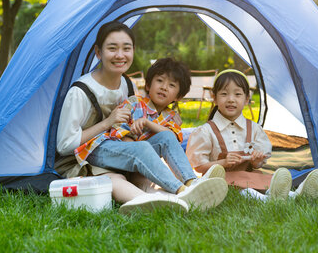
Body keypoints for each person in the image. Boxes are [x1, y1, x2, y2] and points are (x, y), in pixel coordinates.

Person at [55, 22, 205, 214]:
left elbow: (136, 122)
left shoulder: (127, 84)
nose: (120, 55)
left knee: (161, 144)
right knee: (122, 174)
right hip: (84, 155)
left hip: (120, 149)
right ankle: (180, 191)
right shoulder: (80, 92)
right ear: (98, 53)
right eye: (112, 48)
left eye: (126, 48)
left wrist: (150, 129)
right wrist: (108, 123)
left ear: (133, 51)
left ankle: (189, 185)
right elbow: (64, 145)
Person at [75, 57, 228, 214]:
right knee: (141, 147)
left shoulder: (171, 117)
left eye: (171, 85)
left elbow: (172, 139)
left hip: (131, 162)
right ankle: (182, 191)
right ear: (148, 85)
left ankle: (191, 182)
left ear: (178, 96)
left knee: (165, 138)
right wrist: (130, 139)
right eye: (160, 81)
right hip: (103, 151)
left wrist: (147, 124)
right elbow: (115, 128)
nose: (164, 87)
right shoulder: (134, 102)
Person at [186, 69, 318, 201]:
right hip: (220, 180)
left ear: (247, 99)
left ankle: (295, 194)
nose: (231, 99)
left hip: (248, 176)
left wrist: (256, 160)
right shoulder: (206, 131)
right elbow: (198, 166)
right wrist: (222, 163)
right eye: (224, 94)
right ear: (214, 98)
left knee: (263, 179)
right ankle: (266, 199)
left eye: (237, 94)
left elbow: (259, 162)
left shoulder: (253, 129)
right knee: (247, 188)